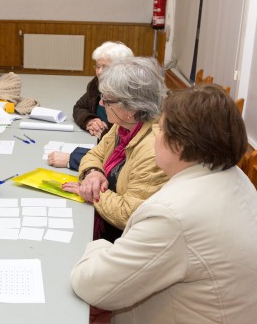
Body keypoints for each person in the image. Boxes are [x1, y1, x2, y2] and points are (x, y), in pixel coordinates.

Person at [70, 85, 257, 323]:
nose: (156, 135)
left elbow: (92, 284)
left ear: (178, 145)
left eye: (162, 129)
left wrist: (96, 247)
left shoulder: (172, 214)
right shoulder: (235, 178)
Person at [62, 57, 168, 242]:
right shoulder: (125, 125)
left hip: (123, 240)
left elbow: (128, 214)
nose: (101, 104)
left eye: (107, 99)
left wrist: (90, 192)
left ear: (131, 107)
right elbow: (95, 154)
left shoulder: (154, 149)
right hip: (106, 222)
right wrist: (93, 173)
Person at [48, 41, 133, 170]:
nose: (99, 72)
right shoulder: (97, 84)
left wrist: (72, 159)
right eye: (97, 66)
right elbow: (79, 107)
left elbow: (121, 155)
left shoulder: (130, 100)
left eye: (105, 67)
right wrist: (90, 120)